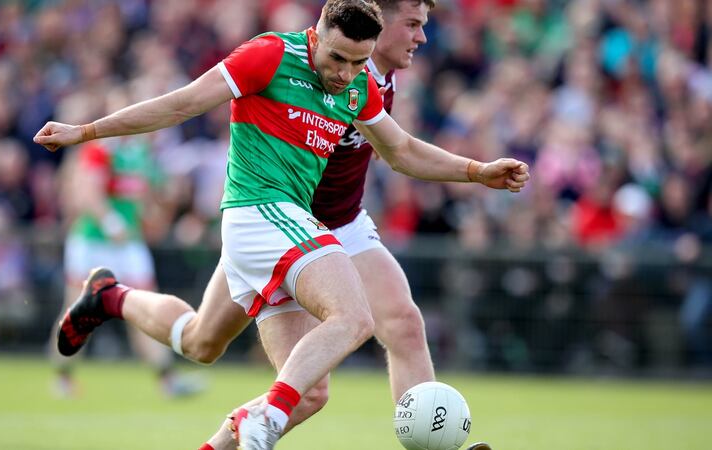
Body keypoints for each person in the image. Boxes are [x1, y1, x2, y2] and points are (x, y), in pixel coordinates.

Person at [34, 1, 529, 448]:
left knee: (218, 349)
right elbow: (182, 102)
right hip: (272, 219)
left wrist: (476, 171)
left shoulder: (361, 83)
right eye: (338, 60)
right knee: (355, 319)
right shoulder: (270, 56)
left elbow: (401, 150)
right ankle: (267, 417)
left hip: (305, 230)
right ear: (316, 34)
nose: (345, 75)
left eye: (358, 63)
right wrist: (86, 131)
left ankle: (109, 297)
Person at [51, 88, 202, 398]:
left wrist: (159, 210)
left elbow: (151, 196)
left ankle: (167, 379)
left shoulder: (142, 152)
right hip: (93, 241)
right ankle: (62, 375)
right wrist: (110, 221)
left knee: (146, 308)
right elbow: (85, 192)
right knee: (77, 310)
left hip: (128, 243)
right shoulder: (100, 149)